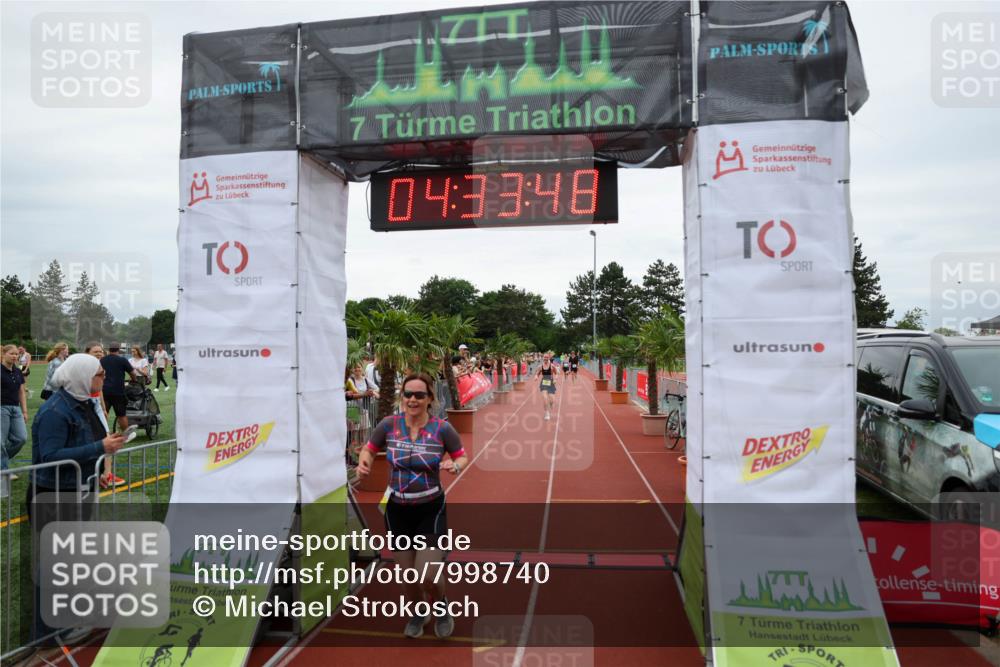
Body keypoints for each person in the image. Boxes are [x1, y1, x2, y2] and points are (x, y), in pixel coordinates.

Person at [356, 372, 468, 640]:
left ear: (430, 398)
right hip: (396, 510)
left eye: (420, 394)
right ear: (401, 396)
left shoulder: (442, 429)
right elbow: (369, 448)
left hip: (430, 507)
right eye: (408, 394)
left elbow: (462, 457)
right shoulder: (388, 424)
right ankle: (419, 612)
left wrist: (454, 466)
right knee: (408, 577)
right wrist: (365, 461)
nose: (413, 399)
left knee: (427, 574)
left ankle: (441, 607)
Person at [28, 353, 124, 642]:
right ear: (82, 376)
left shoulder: (86, 404)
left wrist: (104, 456)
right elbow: (50, 456)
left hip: (79, 489)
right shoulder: (56, 411)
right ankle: (46, 635)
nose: (103, 379)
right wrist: (99, 445)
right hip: (55, 495)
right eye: (99, 374)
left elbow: (90, 444)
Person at [99, 344, 133, 489]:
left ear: (108, 349)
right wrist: (134, 380)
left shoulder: (102, 360)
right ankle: (127, 435)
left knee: (103, 413)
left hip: (104, 390)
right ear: (118, 349)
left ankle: (103, 433)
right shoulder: (122, 360)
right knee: (121, 414)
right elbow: (132, 373)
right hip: (118, 391)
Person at [2, 345, 29, 494]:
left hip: (15, 408)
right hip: (1, 408)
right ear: (4, 354)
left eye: (16, 354)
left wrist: (24, 410)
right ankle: (4, 471)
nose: (14, 356)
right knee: (1, 441)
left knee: (21, 438)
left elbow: (21, 392)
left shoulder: (18, 371)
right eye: (11, 354)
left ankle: (2, 462)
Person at [535, 353, 560, 420]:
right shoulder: (540, 366)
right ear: (543, 358)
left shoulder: (552, 366)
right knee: (545, 398)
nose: (545, 358)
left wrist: (555, 379)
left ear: (549, 358)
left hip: (551, 383)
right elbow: (537, 373)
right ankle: (547, 413)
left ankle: (551, 404)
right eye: (544, 357)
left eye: (547, 357)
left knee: (552, 400)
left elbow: (557, 373)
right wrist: (536, 377)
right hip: (543, 383)